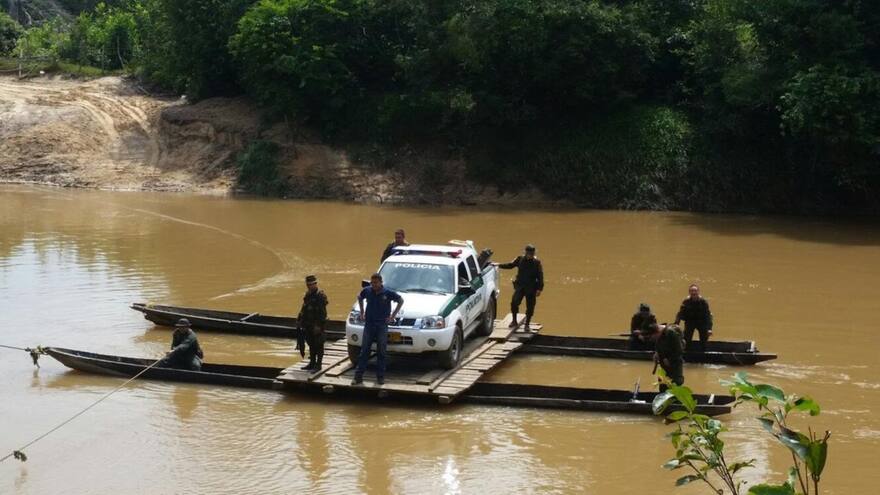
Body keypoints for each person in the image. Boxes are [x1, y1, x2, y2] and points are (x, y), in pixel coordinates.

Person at [352, 273, 403, 386]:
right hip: (369, 325)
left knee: (381, 352)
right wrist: (362, 312)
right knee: (364, 351)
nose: (373, 285)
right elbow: (359, 297)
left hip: (382, 326)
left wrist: (393, 316)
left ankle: (380, 377)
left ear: (381, 282)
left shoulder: (388, 293)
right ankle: (358, 377)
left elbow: (400, 300)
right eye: (372, 283)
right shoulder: (367, 291)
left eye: (376, 283)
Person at [493, 244, 544, 330]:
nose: (530, 255)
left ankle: (527, 324)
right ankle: (514, 321)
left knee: (530, 306)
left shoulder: (537, 263)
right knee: (514, 302)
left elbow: (540, 276)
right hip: (520, 286)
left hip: (531, 288)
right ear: (525, 253)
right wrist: (498, 265)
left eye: (531, 254)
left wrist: (539, 289)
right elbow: (510, 265)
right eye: (528, 253)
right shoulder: (519, 259)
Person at [298, 274, 329, 372]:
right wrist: (299, 320)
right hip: (308, 324)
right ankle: (312, 363)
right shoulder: (307, 295)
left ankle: (318, 365)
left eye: (312, 284)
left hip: (317, 325)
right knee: (311, 344)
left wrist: (319, 326)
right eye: (308, 285)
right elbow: (304, 308)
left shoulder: (320, 296)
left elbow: (323, 313)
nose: (310, 286)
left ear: (316, 284)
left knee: (319, 345)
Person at [674, 284, 713, 353]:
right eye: (692, 291)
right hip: (690, 321)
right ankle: (686, 352)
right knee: (686, 339)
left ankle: (703, 353)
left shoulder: (703, 302)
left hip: (701, 322)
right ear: (689, 292)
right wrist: (676, 325)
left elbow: (708, 316)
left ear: (698, 292)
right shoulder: (686, 301)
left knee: (704, 339)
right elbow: (680, 314)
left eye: (695, 291)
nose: (693, 293)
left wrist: (709, 329)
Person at [647, 322, 684, 392]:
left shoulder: (671, 334)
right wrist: (657, 353)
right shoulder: (659, 335)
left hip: (674, 363)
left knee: (675, 383)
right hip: (663, 363)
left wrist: (669, 359)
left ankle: (674, 400)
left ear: (657, 332)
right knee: (663, 384)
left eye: (654, 336)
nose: (654, 339)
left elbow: (679, 350)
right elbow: (658, 345)